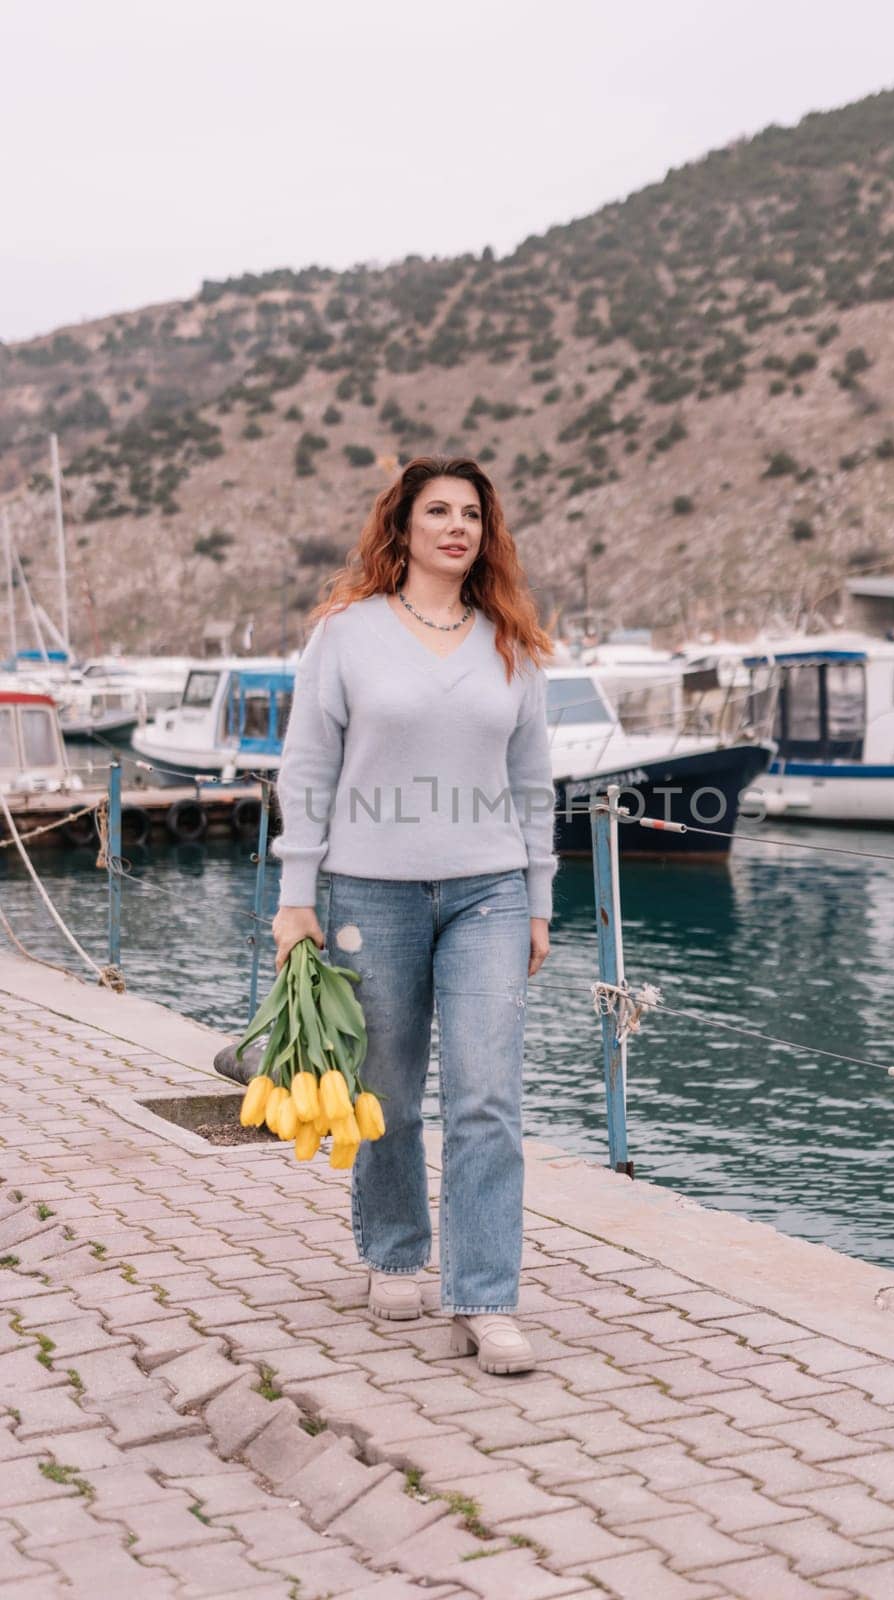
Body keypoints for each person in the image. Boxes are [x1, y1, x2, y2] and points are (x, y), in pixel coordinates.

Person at [270, 456, 556, 1375]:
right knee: (386, 1093)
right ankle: (394, 1249)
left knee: (488, 1098)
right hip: (368, 891)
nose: (456, 527)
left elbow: (533, 786)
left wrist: (539, 903)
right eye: (437, 510)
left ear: (487, 533)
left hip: (488, 892)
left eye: (472, 513)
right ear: (403, 526)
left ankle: (484, 1298)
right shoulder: (346, 635)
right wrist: (295, 897)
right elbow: (306, 772)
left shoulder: (510, 639)